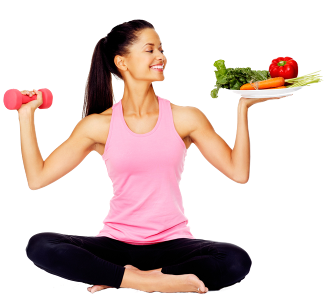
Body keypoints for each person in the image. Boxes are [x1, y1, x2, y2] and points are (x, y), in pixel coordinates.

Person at [21, 19, 284, 294]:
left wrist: (243, 110)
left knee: (235, 260)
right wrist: (26, 115)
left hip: (173, 245)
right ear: (122, 62)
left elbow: (239, 174)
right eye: (150, 50)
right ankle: (147, 281)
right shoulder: (99, 126)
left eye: (161, 49)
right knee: (40, 245)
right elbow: (37, 178)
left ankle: (125, 278)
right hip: (115, 244)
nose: (161, 57)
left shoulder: (186, 118)